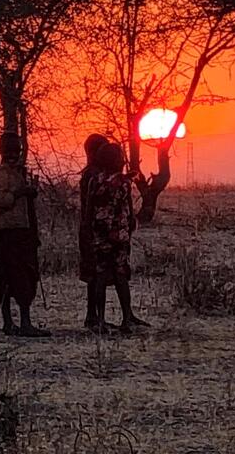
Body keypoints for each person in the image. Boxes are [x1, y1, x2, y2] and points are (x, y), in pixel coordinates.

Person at [0, 132, 49, 337]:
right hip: (9, 235)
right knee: (11, 278)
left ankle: (21, 322)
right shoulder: (0, 174)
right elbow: (2, 200)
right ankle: (13, 323)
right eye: (8, 151)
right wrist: (22, 192)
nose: (12, 155)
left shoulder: (19, 173)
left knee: (26, 277)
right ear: (0, 151)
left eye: (16, 151)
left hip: (24, 233)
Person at [89, 141, 148, 334]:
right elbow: (128, 211)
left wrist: (91, 230)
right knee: (121, 275)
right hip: (119, 236)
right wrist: (129, 227)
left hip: (100, 235)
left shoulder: (94, 181)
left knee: (100, 276)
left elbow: (89, 209)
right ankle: (126, 319)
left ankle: (100, 320)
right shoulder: (123, 182)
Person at [79, 133, 109, 330]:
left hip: (90, 228)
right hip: (93, 230)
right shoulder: (93, 175)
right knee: (96, 275)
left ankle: (94, 315)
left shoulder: (92, 173)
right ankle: (94, 317)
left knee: (96, 275)